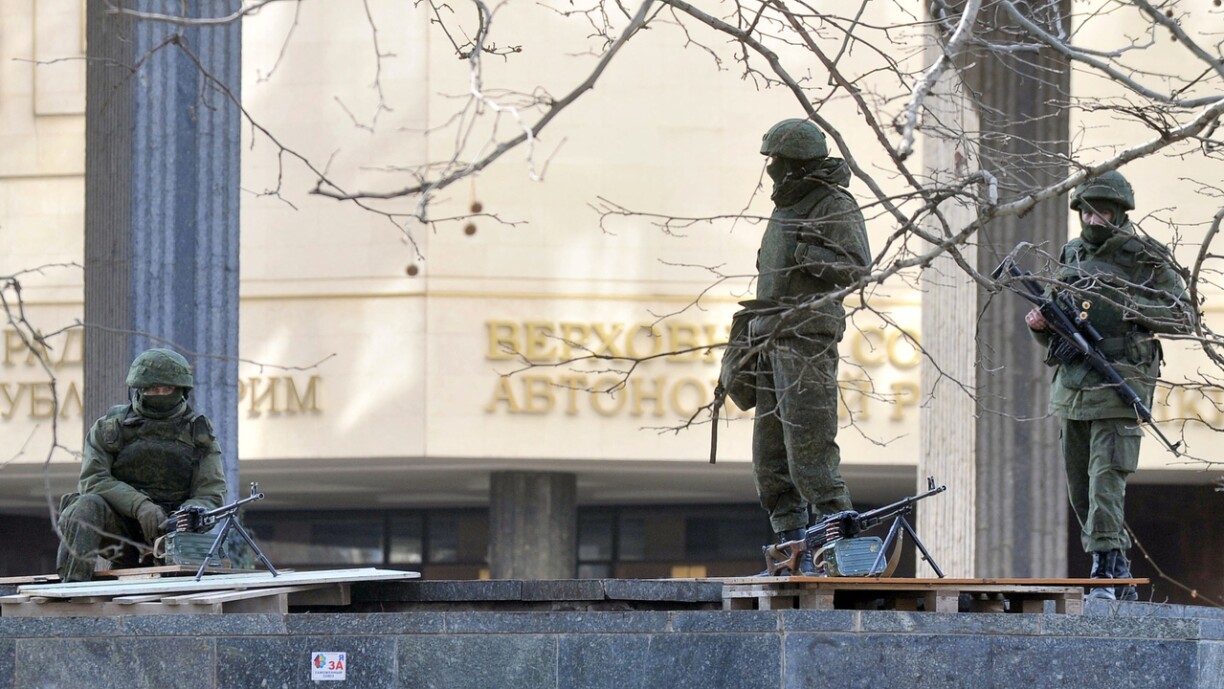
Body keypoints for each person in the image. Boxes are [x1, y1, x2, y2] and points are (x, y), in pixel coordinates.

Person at [1024, 170, 1193, 600]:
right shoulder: (1072, 254)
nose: (1094, 220)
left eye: (1103, 212)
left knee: (1106, 479)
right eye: (1087, 212)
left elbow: (1183, 316)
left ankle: (1103, 571)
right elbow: (1065, 320)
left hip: (1121, 383)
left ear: (1120, 214)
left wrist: (1126, 303)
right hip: (1073, 384)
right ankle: (1115, 564)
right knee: (1080, 485)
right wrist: (1042, 327)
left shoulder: (1147, 258)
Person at [722, 118, 871, 575]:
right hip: (769, 338)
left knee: (810, 452)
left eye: (776, 161)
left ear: (795, 162)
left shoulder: (834, 204)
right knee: (770, 462)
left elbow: (857, 270)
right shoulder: (785, 208)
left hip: (805, 342)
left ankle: (843, 553)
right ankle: (789, 552)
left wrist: (813, 258)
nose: (770, 170)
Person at [56, 348, 226, 582]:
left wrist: (184, 517)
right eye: (150, 389)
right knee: (84, 506)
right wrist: (140, 506)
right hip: (118, 527)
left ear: (181, 390)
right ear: (137, 389)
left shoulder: (199, 435)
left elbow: (211, 493)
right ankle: (72, 586)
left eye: (165, 389)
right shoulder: (110, 428)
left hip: (172, 530)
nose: (158, 394)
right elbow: (93, 480)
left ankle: (162, 561)